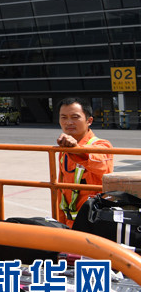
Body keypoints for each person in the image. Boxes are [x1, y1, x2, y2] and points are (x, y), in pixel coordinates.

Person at [56, 97, 113, 227]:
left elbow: (99, 163)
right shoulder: (63, 150)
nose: (68, 122)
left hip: (94, 222)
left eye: (75, 117)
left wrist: (76, 149)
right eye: (63, 117)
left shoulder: (102, 145)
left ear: (89, 121)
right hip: (69, 222)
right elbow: (61, 191)